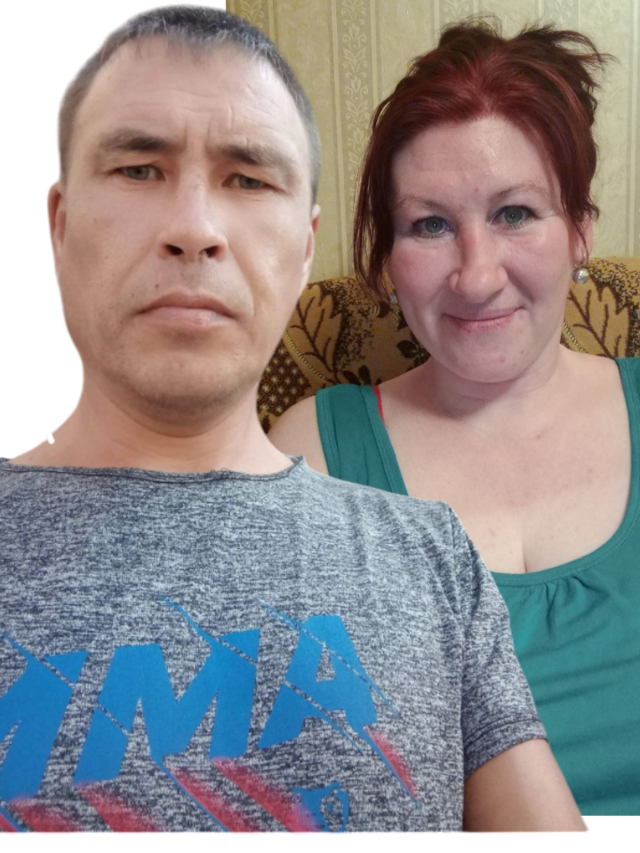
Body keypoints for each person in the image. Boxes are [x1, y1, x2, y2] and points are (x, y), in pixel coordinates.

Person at [0, 4, 587, 836]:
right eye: (138, 168)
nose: (194, 228)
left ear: (308, 245)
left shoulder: (434, 554)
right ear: (57, 222)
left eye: (248, 179)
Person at [269, 20, 640, 818]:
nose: (476, 276)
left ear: (580, 228)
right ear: (387, 258)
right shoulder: (311, 452)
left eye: (515, 213)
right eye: (430, 224)